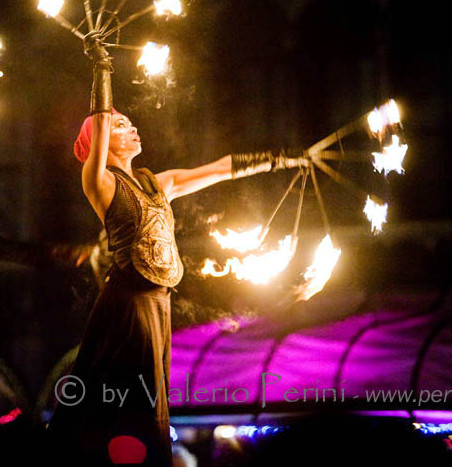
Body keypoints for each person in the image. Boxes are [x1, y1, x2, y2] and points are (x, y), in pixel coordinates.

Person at [46, 35, 307, 465]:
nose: (132, 128)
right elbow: (99, 128)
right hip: (128, 305)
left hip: (159, 303)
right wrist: (103, 71)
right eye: (121, 125)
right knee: (129, 401)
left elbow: (219, 170)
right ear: (104, 139)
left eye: (129, 122)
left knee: (151, 399)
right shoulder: (101, 183)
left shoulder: (156, 181)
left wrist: (280, 159)